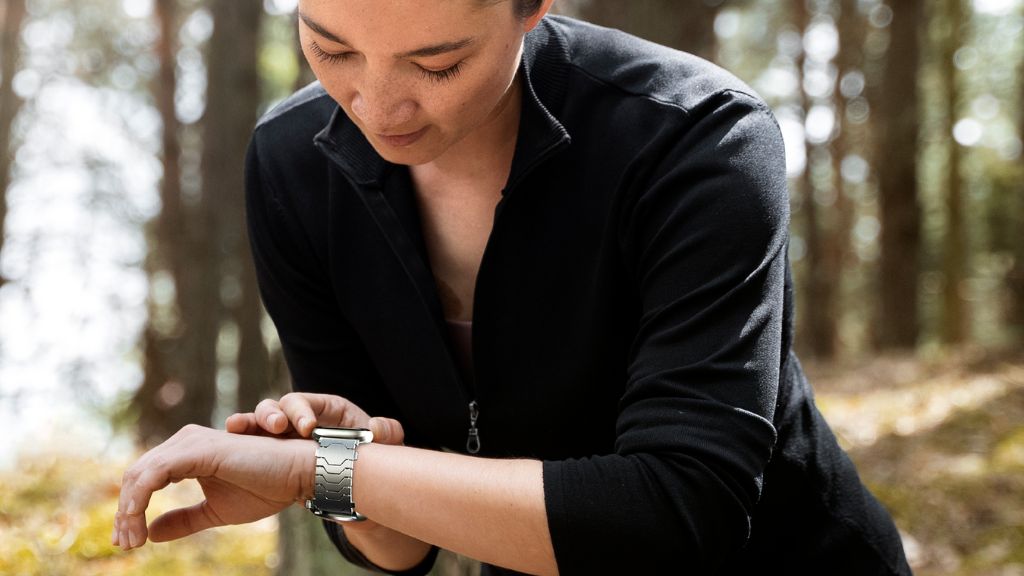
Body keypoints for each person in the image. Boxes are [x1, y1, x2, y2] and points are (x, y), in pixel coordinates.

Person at [114, 0, 913, 574]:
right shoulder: (294, 166)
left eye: (438, 63)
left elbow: (679, 514)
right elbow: (398, 548)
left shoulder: (697, 139)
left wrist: (320, 473)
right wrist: (347, 471)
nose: (378, 106)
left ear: (532, 8)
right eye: (334, 50)